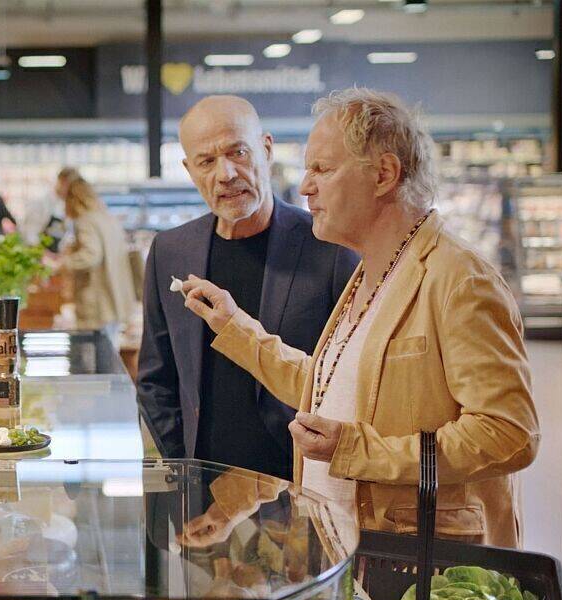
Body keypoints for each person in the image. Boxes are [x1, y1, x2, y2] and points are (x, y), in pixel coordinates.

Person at [182, 88, 537, 546]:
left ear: (385, 174)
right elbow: (333, 386)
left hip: (429, 570)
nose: (306, 186)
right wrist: (235, 327)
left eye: (322, 169)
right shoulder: (374, 268)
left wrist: (356, 451)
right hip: (358, 554)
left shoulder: (460, 279)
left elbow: (509, 434)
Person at [138, 95, 357, 481]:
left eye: (238, 152)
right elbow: (157, 378)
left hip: (300, 482)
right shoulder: (170, 251)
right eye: (207, 161)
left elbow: (349, 379)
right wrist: (186, 463)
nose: (225, 173)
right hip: (204, 486)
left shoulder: (330, 246)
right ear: (190, 171)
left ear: (266, 149)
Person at [55, 176, 137, 346]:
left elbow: (91, 255)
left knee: (96, 359)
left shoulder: (85, 221)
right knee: (110, 354)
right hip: (114, 299)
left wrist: (63, 263)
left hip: (97, 302)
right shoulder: (107, 218)